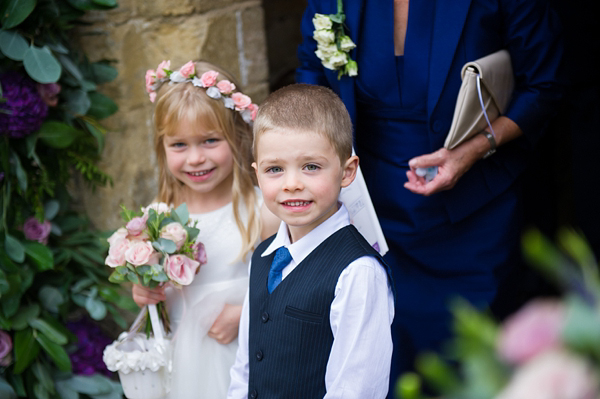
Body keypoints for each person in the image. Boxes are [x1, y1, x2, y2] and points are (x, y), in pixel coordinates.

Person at [296, 0, 565, 392]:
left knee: (472, 360)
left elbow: (544, 84)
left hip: (476, 209)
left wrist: (475, 148)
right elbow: (311, 74)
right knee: (384, 357)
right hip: (367, 211)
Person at [227, 84, 395, 399]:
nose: (292, 184)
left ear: (347, 171)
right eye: (275, 169)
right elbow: (245, 367)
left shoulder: (357, 272)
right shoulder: (263, 256)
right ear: (257, 175)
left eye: (311, 167)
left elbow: (354, 390)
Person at [131, 60, 279, 399]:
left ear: (237, 136)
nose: (196, 158)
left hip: (247, 360)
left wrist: (247, 314)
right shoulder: (158, 218)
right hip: (185, 369)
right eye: (179, 145)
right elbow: (160, 293)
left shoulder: (261, 212)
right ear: (162, 148)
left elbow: (294, 284)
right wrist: (144, 294)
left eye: (210, 140)